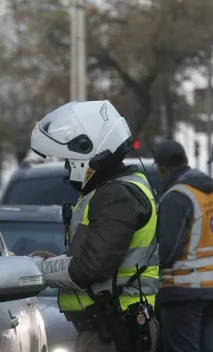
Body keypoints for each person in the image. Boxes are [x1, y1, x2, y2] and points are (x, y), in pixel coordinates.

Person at [29, 100, 160, 352]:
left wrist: (40, 271)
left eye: (68, 160)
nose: (67, 168)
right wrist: (54, 261)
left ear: (87, 150)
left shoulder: (116, 196)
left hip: (115, 329)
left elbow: (92, 265)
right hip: (111, 326)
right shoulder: (115, 190)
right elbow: (97, 255)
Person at [154, 140, 213, 352]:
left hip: (183, 290)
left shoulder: (177, 197)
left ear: (160, 168)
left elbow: (168, 249)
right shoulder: (207, 192)